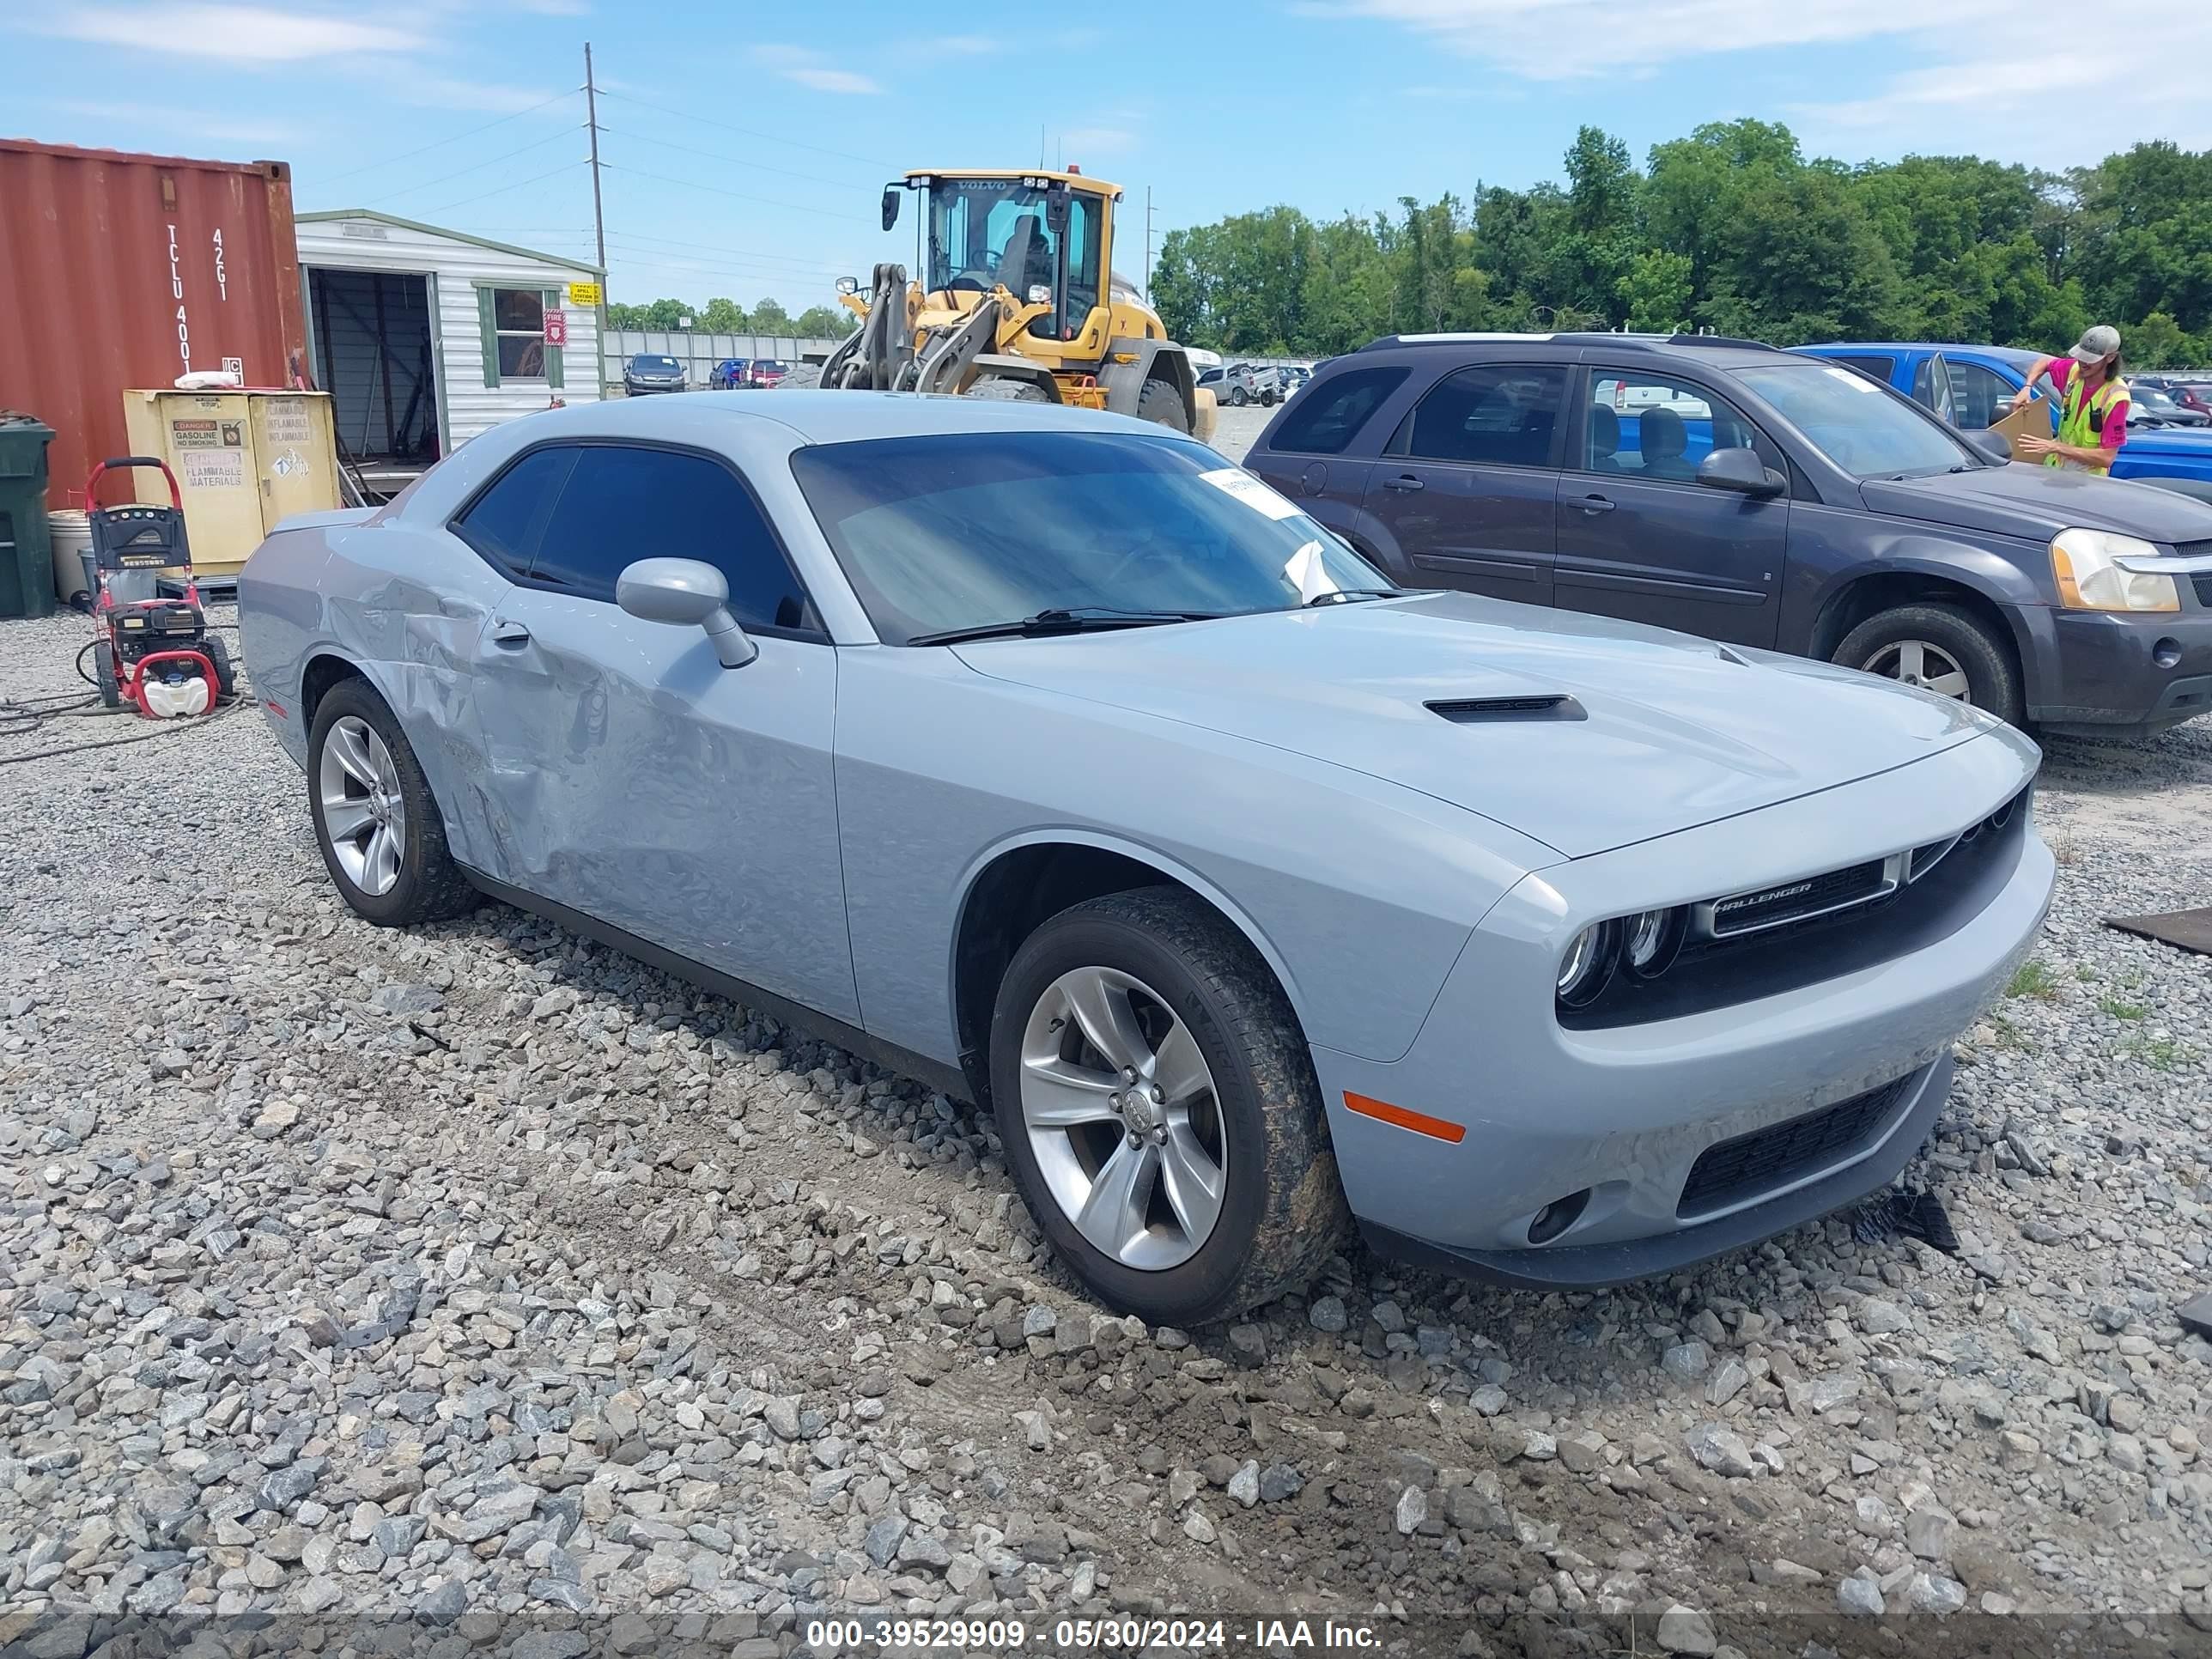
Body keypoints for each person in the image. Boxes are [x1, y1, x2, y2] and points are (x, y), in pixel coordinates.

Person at [2011, 325, 2129, 473]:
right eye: (2081, 357)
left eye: (2090, 359)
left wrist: (2057, 447)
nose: (2083, 363)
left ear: (2111, 358)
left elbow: (2106, 458)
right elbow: (2044, 362)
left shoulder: (2117, 398)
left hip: (2087, 484)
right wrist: (2027, 388)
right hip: (2055, 474)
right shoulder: (2073, 371)